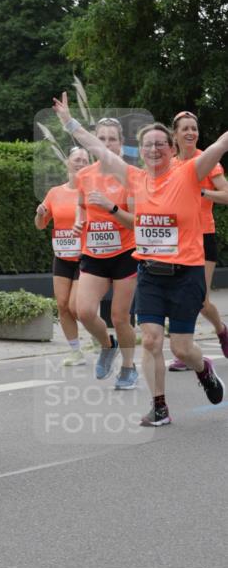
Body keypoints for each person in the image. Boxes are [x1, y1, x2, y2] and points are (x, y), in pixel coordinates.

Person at [52, 92, 227, 426]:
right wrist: (69, 122)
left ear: (172, 149)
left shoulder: (189, 173)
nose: (154, 149)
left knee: (181, 349)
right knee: (150, 339)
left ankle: (203, 368)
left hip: (186, 272)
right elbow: (99, 149)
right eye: (148, 144)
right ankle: (159, 406)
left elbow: (220, 143)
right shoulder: (134, 177)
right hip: (149, 272)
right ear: (140, 150)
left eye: (161, 144)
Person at [73, 118, 139, 389]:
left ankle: (128, 366)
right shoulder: (84, 176)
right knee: (84, 312)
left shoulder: (130, 175)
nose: (107, 143)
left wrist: (111, 207)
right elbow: (81, 206)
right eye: (102, 138)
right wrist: (79, 220)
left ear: (121, 145)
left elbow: (135, 221)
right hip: (94, 253)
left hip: (125, 253)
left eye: (112, 139)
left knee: (120, 317)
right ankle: (107, 345)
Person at [168, 110, 228, 369]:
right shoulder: (167, 164)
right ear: (175, 134)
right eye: (185, 128)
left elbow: (226, 194)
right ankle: (186, 350)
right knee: (177, 297)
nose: (191, 132)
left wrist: (201, 192)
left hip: (203, 236)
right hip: (175, 239)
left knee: (199, 300)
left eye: (194, 128)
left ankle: (221, 329)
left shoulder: (208, 160)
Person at [35, 146, 91, 365]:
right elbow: (40, 225)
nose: (80, 163)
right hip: (62, 256)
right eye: (77, 159)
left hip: (85, 255)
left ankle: (101, 338)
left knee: (76, 307)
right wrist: (40, 214)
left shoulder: (92, 190)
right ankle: (76, 351)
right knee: (62, 305)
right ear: (67, 163)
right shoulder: (54, 192)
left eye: (85, 160)